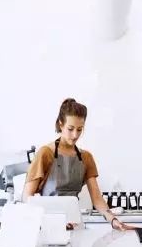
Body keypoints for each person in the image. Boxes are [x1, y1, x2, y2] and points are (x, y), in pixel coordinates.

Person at [22, 98, 134, 231]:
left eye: (80, 129)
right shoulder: (45, 153)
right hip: (48, 226)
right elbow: (27, 197)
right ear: (61, 124)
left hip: (74, 224)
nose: (75, 135)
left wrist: (113, 220)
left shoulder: (86, 157)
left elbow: (97, 198)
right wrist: (44, 222)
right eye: (70, 129)